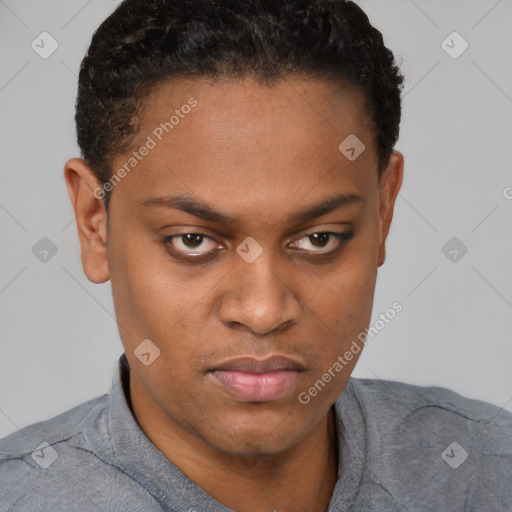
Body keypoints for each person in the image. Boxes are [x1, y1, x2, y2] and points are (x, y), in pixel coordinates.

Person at [1, 1, 511, 510]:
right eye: (193, 241)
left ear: (383, 211)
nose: (263, 311)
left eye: (320, 238)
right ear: (96, 224)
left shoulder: (486, 472)